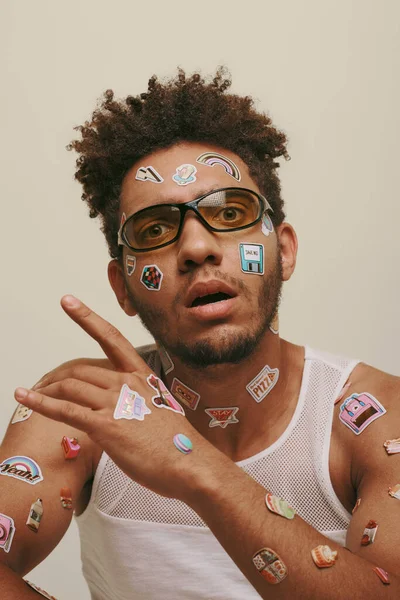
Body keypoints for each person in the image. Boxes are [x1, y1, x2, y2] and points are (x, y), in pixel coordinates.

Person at [1, 68, 399, 600]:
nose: (196, 248)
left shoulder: (374, 418)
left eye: (230, 213)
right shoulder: (83, 410)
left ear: (285, 252)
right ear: (123, 286)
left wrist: (192, 464)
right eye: (155, 229)